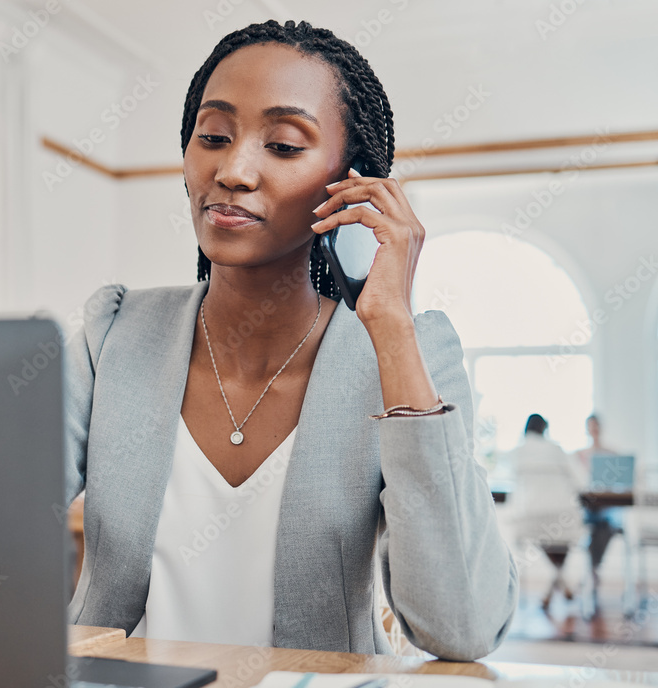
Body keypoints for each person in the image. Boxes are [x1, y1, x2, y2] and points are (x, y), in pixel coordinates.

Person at [63, 19, 517, 661]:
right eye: (213, 136)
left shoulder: (408, 355)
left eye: (282, 145)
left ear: (351, 182)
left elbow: (463, 626)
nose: (233, 171)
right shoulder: (111, 336)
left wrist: (388, 323)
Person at [508, 414, 585, 612]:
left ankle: (556, 589)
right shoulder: (556, 450)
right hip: (561, 518)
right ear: (545, 430)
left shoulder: (517, 453)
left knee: (545, 537)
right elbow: (581, 482)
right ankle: (561, 587)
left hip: (530, 521)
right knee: (559, 541)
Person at [575, 413, 623, 596]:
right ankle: (594, 570)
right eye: (590, 426)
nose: (593, 430)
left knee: (602, 526)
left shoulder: (612, 455)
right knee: (594, 526)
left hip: (608, 510)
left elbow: (621, 484)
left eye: (596, 426)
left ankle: (592, 570)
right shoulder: (579, 456)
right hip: (588, 509)